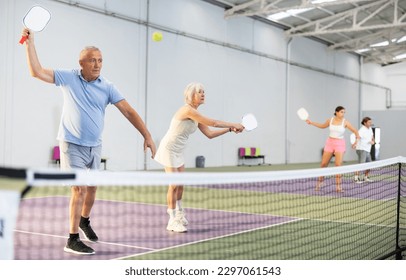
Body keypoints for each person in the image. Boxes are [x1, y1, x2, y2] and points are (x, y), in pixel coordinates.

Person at [21, 28, 156, 255]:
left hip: (95, 145)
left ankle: (84, 221)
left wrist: (147, 135)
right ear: (81, 63)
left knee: (92, 188)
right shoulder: (69, 77)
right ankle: (72, 239)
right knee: (79, 189)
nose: (97, 64)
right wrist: (29, 43)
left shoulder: (107, 86)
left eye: (100, 60)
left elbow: (128, 111)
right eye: (92, 60)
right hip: (71, 144)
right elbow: (36, 72)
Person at [154, 82, 244, 233]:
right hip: (168, 148)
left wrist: (229, 129)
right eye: (200, 92)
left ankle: (180, 213)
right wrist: (234, 123)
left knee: (181, 183)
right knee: (174, 184)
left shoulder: (196, 115)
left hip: (178, 150)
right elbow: (214, 122)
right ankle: (172, 220)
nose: (203, 94)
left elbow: (209, 134)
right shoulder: (187, 110)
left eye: (204, 92)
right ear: (192, 95)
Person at [306, 106, 360, 192]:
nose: (343, 114)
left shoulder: (345, 122)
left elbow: (355, 131)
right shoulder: (330, 120)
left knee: (338, 165)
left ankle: (338, 187)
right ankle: (320, 183)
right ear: (336, 112)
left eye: (344, 112)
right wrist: (311, 122)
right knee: (323, 164)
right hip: (329, 143)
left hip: (340, 144)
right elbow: (322, 126)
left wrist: (356, 141)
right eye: (342, 112)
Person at [354, 117, 375, 183]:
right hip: (361, 149)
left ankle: (365, 177)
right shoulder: (362, 130)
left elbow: (372, 136)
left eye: (371, 122)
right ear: (365, 123)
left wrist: (373, 141)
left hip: (367, 149)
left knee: (369, 164)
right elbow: (357, 137)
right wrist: (355, 143)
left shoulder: (370, 129)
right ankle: (356, 179)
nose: (370, 123)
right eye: (369, 122)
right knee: (361, 165)